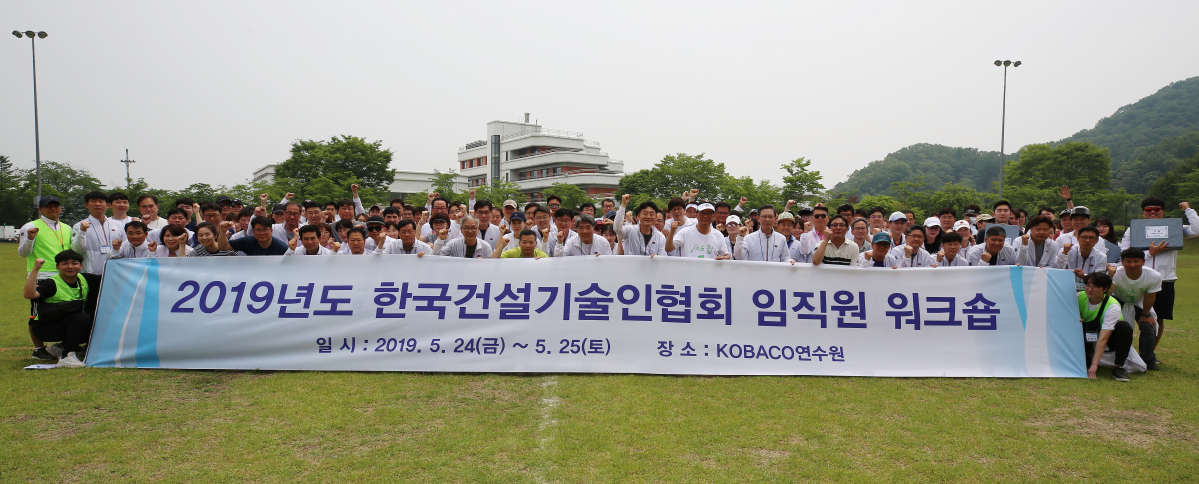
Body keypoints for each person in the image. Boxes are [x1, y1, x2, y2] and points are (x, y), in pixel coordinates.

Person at [1118, 198, 1199, 361]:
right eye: (1149, 209)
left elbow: (1197, 230)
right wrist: (1149, 253)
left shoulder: (1175, 228)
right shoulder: (1133, 229)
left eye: (1157, 209)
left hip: (1165, 280)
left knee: (1158, 318)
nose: (1153, 212)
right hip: (1137, 279)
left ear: (1163, 211)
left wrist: (1188, 210)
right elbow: (1124, 252)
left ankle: (1148, 355)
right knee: (1127, 317)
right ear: (1143, 212)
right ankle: (1124, 354)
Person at [17, 195, 74, 360]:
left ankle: (62, 345)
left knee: (65, 311)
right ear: (40, 209)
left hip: (63, 277)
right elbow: (23, 253)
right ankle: (38, 349)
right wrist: (30, 238)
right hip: (41, 276)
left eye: (56, 205)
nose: (53, 208)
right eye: (48, 206)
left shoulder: (67, 228)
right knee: (37, 314)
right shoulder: (31, 226)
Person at [23, 251, 100, 368]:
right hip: (45, 327)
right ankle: (67, 357)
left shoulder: (84, 279)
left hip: (66, 323)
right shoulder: (51, 283)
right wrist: (35, 270)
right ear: (57, 267)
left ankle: (60, 348)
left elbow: (109, 279)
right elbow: (29, 294)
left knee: (97, 322)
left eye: (74, 263)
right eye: (65, 263)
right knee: (82, 318)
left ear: (80, 266)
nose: (70, 267)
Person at [1108, 248, 1163, 371]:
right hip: (1118, 301)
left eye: (1136, 261)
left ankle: (1147, 359)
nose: (1132, 265)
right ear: (1122, 262)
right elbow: (1108, 293)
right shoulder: (1116, 273)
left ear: (1143, 261)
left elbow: (1150, 296)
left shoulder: (1154, 275)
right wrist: (1110, 276)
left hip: (1140, 303)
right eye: (1128, 261)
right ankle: (1117, 357)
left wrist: (1145, 314)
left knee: (1148, 327)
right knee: (1121, 329)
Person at [1078, 272, 1133, 381]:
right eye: (1088, 285)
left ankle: (1119, 367)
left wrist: (1094, 365)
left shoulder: (1113, 306)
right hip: (1087, 337)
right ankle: (1086, 357)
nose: (1090, 289)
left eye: (1095, 287)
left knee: (1124, 327)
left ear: (1105, 289)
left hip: (1108, 339)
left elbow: (1104, 338)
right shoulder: (1079, 296)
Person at [70, 190, 127, 276]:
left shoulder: (118, 225)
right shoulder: (79, 226)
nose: (97, 204)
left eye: (100, 201)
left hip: (114, 272)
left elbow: (125, 247)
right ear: (86, 205)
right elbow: (77, 250)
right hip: (90, 273)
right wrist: (82, 232)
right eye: (93, 201)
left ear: (107, 205)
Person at [1055, 225, 1109, 290]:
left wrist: (1084, 276)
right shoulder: (1067, 251)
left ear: (1097, 240)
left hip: (1090, 289)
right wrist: (1064, 253)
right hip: (1067, 286)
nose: (1087, 240)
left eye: (1091, 238)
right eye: (1084, 237)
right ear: (1078, 239)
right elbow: (1058, 269)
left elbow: (1099, 278)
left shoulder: (1101, 257)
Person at [222, 216, 288, 256]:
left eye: (265, 230)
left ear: (271, 231)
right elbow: (223, 246)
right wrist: (223, 231)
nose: (262, 233)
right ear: (253, 231)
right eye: (258, 230)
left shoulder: (282, 248)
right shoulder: (247, 241)